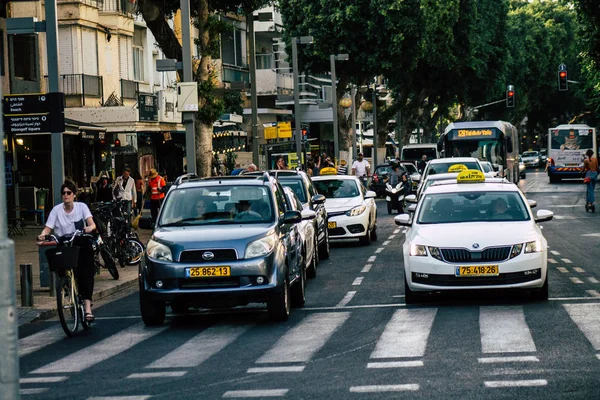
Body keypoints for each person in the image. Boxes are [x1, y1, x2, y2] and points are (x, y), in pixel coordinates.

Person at [37, 181, 97, 322]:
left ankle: (88, 308)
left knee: (86, 272)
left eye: (69, 193)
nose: (66, 195)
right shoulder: (56, 210)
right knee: (60, 266)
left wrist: (89, 228)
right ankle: (66, 287)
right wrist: (42, 235)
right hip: (64, 242)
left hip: (80, 241)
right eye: (63, 193)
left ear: (74, 195)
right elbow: (48, 227)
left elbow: (91, 223)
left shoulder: (81, 207)